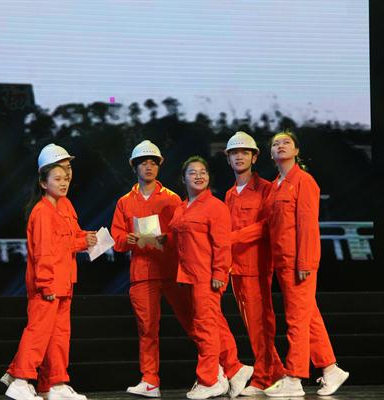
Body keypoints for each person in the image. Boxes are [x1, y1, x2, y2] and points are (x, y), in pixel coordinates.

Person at [253, 131, 349, 397]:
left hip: (299, 263)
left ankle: (294, 378)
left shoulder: (304, 181)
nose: (280, 146)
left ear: (296, 151)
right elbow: (267, 227)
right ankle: (331, 369)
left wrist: (304, 261)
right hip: (283, 263)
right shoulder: (275, 186)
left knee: (296, 320)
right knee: (309, 317)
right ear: (271, 154)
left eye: (286, 142)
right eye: (275, 144)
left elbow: (307, 225)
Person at [0, 143, 95, 398]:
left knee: (60, 335)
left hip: (65, 280)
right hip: (49, 282)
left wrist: (87, 238)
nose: (66, 177)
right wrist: (45, 283)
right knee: (39, 332)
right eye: (59, 173)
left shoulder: (65, 205)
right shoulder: (41, 211)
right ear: (44, 180)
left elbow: (71, 236)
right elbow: (44, 251)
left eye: (67, 170)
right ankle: (20, 380)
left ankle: (55, 384)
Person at [111, 140, 195, 398]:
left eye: (152, 163)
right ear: (134, 167)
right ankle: (150, 381)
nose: (148, 167)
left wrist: (166, 238)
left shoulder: (172, 199)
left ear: (158, 167)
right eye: (143, 163)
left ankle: (216, 370)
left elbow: (183, 234)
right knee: (147, 329)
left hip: (171, 270)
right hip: (142, 274)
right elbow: (117, 239)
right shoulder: (125, 202)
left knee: (194, 321)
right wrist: (128, 239)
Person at [169, 156, 252, 400]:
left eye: (203, 171)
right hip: (188, 276)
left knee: (205, 326)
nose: (199, 176)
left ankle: (210, 380)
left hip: (206, 276)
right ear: (183, 178)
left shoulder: (216, 207)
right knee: (213, 324)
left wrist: (219, 273)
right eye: (192, 172)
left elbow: (222, 244)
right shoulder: (181, 207)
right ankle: (235, 368)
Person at [223, 131, 284, 396]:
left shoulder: (267, 189)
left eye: (244, 152)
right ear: (228, 158)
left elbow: (267, 226)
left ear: (254, 157)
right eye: (234, 153)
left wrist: (231, 238)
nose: (239, 156)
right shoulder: (229, 194)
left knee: (260, 325)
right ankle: (277, 373)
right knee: (252, 325)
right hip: (235, 268)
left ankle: (262, 378)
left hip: (256, 266)